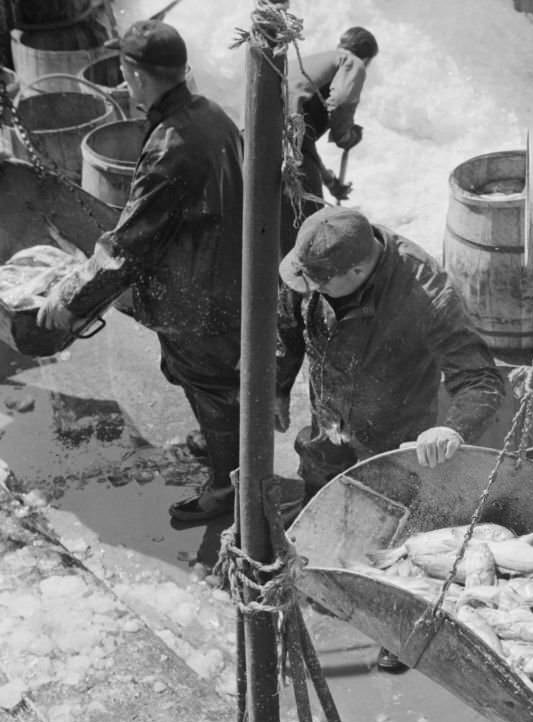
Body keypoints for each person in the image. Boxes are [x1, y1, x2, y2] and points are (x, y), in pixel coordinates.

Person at [277, 205, 506, 670]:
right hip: (329, 421)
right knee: (321, 498)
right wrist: (276, 387)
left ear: (359, 270)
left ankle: (400, 625)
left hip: (396, 435)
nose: (311, 290)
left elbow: (481, 379)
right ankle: (321, 576)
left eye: (323, 284)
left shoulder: (427, 295)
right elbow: (288, 327)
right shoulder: (311, 272)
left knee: (400, 541)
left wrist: (451, 428)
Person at [37, 19, 244, 527]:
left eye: (126, 70)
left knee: (211, 386)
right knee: (208, 384)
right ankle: (224, 450)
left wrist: (73, 298)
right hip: (226, 273)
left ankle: (226, 489)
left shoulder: (171, 145)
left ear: (135, 74)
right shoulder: (211, 114)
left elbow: (129, 246)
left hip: (200, 293)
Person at [281, 26, 378, 254]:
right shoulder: (352, 61)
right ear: (367, 57)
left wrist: (329, 180)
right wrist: (345, 136)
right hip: (288, 143)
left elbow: (302, 144)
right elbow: (342, 100)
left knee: (279, 225)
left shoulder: (315, 62)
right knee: (312, 230)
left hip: (261, 138)